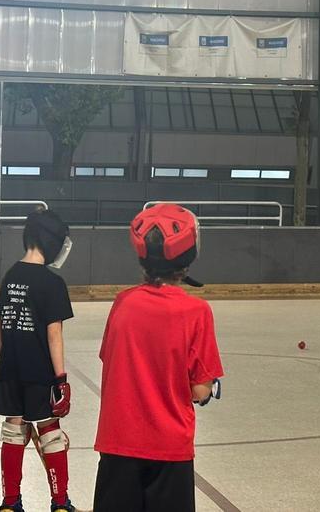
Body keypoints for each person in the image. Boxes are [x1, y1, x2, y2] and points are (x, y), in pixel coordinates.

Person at [93, 204, 224, 512]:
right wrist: (208, 387)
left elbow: (112, 363)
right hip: (169, 449)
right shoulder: (197, 312)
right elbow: (200, 390)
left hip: (118, 443)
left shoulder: (122, 303)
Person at [0, 210, 76, 512]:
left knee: (13, 430)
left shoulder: (11, 274)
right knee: (49, 431)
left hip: (10, 369)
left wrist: (7, 361)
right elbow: (54, 334)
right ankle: (60, 502)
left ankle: (10, 503)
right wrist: (61, 379)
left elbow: (1, 324)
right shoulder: (52, 283)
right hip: (40, 372)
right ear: (51, 243)